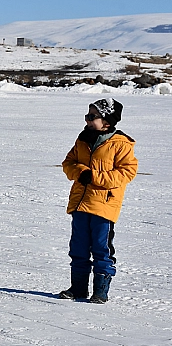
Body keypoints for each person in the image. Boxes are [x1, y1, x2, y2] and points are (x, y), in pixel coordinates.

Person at [59, 98, 137, 303]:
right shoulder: (83, 139)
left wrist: (94, 177)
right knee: (78, 247)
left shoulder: (121, 144)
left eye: (92, 116)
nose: (87, 119)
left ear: (107, 122)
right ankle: (78, 288)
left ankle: (100, 291)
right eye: (87, 115)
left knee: (102, 248)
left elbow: (126, 173)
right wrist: (80, 172)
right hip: (80, 203)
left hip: (104, 205)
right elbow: (68, 163)